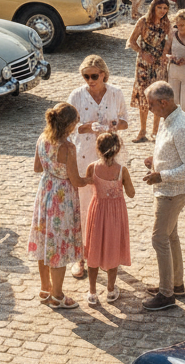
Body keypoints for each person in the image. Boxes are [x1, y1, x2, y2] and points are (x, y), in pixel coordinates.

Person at [68, 55, 129, 281]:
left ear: (104, 73)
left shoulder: (116, 93)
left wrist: (114, 125)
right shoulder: (76, 95)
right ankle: (81, 257)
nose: (90, 80)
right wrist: (86, 127)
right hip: (85, 156)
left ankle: (107, 255)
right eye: (86, 76)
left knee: (110, 207)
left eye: (94, 76)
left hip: (110, 158)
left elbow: (125, 121)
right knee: (84, 206)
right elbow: (69, 125)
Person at [141, 81, 185, 311]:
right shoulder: (168, 119)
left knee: (159, 239)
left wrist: (161, 175)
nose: (149, 108)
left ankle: (166, 295)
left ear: (164, 103)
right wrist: (154, 160)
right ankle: (176, 284)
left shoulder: (181, 127)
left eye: (151, 104)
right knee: (170, 235)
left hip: (173, 193)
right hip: (167, 189)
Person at [27, 103, 89, 309]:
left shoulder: (42, 139)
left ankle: (45, 289)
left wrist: (52, 171)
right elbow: (76, 181)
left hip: (45, 193)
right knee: (58, 247)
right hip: (62, 200)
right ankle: (57, 295)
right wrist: (91, 177)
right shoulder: (68, 147)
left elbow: (37, 168)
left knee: (44, 242)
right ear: (69, 125)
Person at [83, 132, 135, 306]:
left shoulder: (92, 167)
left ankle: (92, 292)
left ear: (97, 149)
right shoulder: (122, 170)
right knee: (112, 248)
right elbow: (131, 193)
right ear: (117, 149)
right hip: (115, 215)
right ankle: (111, 290)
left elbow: (87, 182)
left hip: (97, 211)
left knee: (94, 249)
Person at [128, 0, 171, 142]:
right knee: (143, 96)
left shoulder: (166, 23)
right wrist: (142, 53)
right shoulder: (143, 22)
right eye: (159, 8)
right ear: (153, 8)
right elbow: (131, 41)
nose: (162, 11)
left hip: (159, 65)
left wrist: (165, 55)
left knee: (158, 97)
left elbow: (169, 41)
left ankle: (155, 131)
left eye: (165, 8)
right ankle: (142, 130)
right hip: (143, 64)